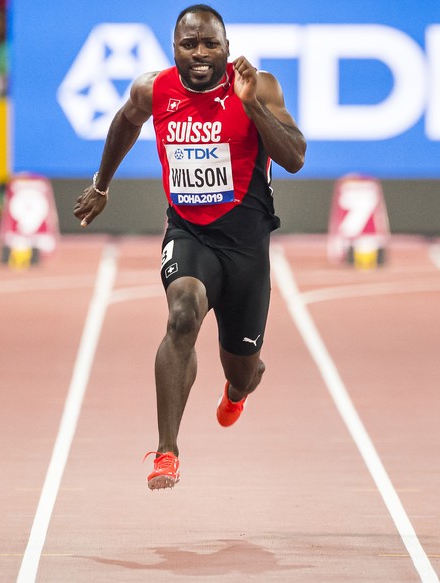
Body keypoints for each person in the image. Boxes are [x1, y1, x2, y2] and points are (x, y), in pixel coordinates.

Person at [74, 4, 306, 490]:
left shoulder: (258, 85)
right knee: (182, 314)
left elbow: (295, 158)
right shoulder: (153, 89)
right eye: (188, 44)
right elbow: (124, 122)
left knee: (242, 368)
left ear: (227, 46)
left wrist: (252, 106)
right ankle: (167, 452)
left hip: (246, 247)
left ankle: (238, 389)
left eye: (210, 44)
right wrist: (101, 184)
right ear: (174, 48)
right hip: (190, 233)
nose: (200, 54)